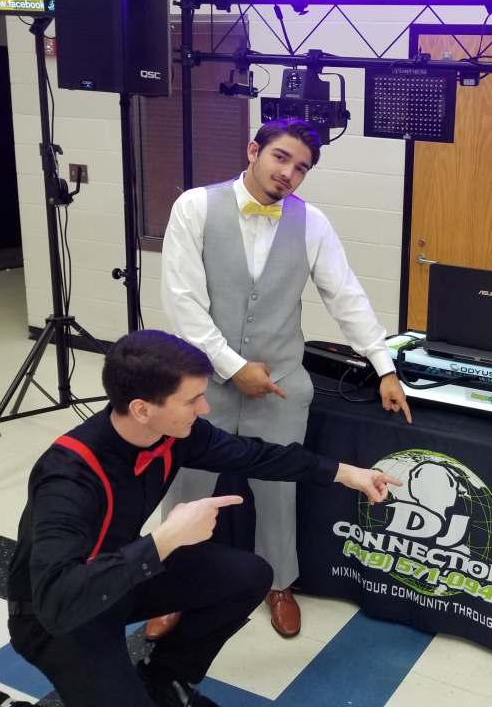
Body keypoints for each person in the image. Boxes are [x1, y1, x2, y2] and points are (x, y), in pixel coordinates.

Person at [1, 330, 399, 707]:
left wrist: (345, 473)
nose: (204, 408)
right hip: (54, 615)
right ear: (142, 409)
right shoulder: (68, 476)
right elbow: (57, 601)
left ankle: (165, 679)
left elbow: (255, 455)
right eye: (192, 400)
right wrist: (164, 540)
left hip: (122, 576)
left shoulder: (174, 435)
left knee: (249, 575)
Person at [156, 117, 411, 639]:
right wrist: (234, 368)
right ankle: (173, 587)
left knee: (278, 490)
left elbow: (345, 295)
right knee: (188, 485)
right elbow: (183, 303)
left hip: (280, 384)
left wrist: (383, 364)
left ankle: (278, 584)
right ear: (253, 150)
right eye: (280, 157)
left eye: (301, 168)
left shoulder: (312, 223)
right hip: (201, 384)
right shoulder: (195, 206)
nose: (289, 173)